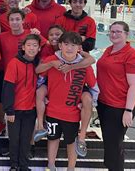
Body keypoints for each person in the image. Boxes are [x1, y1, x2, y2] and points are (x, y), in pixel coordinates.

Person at [35, 32, 97, 171]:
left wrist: (89, 103)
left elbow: (93, 87)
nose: (69, 48)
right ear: (60, 45)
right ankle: (51, 165)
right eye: (66, 44)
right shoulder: (52, 59)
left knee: (71, 142)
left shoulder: (84, 65)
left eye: (73, 45)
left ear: (78, 47)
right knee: (53, 138)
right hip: (53, 110)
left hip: (72, 113)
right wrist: (42, 92)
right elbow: (39, 74)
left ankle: (71, 168)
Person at [96, 21, 135, 171]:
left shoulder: (132, 56)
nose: (114, 34)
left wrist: (128, 111)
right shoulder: (109, 50)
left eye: (118, 32)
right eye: (112, 31)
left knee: (114, 144)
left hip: (119, 107)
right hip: (104, 103)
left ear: (126, 34)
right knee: (110, 141)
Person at [0, 8, 45, 137]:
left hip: (27, 76)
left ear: (23, 20)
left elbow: (48, 45)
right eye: (11, 20)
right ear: (8, 21)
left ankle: (30, 142)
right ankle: (3, 122)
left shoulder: (31, 35)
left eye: (17, 19)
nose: (14, 22)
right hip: (7, 75)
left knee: (26, 110)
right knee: (1, 100)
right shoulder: (1, 37)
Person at [2, 34, 41, 171]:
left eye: (35, 45)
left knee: (25, 140)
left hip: (30, 110)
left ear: (39, 48)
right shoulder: (14, 63)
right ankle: (14, 165)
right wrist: (9, 110)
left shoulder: (38, 64)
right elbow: (7, 87)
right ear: (23, 47)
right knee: (14, 139)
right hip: (15, 110)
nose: (31, 48)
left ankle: (24, 166)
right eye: (29, 45)